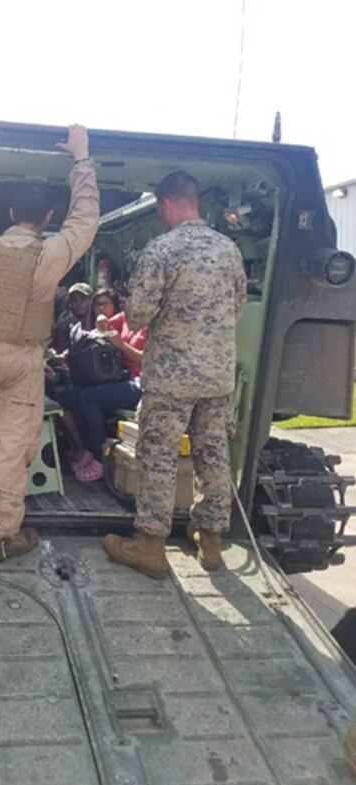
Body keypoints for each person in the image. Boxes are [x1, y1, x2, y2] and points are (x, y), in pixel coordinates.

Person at [0, 125, 100, 561]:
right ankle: (3, 535)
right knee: (16, 444)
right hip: (21, 357)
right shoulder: (49, 253)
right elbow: (85, 221)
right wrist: (81, 159)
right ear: (48, 219)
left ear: (12, 211)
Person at [103, 170, 247, 578]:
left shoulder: (162, 250)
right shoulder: (228, 250)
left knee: (159, 456)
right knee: (213, 455)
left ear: (165, 204)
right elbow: (237, 309)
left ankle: (149, 546)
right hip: (217, 377)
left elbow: (138, 314)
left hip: (171, 378)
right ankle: (211, 542)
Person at [70, 288, 145, 481]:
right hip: (123, 379)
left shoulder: (153, 325)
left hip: (142, 385)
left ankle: (98, 457)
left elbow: (149, 361)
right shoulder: (126, 319)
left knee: (89, 397)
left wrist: (121, 345)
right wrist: (101, 316)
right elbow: (103, 323)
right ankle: (87, 448)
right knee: (77, 393)